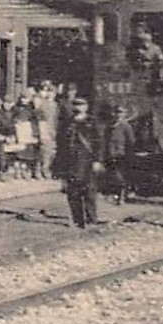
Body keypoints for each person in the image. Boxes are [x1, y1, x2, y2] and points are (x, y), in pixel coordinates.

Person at [55, 95, 102, 228]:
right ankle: (77, 220)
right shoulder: (67, 123)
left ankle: (91, 219)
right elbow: (61, 142)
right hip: (70, 161)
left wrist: (97, 160)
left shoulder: (92, 122)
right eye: (75, 105)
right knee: (73, 192)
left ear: (86, 107)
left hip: (87, 161)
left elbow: (98, 142)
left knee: (89, 191)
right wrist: (59, 161)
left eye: (81, 105)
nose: (78, 107)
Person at [98, 100, 136, 204]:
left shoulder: (126, 126)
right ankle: (115, 195)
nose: (117, 115)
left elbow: (131, 141)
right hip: (109, 154)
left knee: (120, 176)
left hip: (121, 154)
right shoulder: (109, 126)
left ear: (124, 114)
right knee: (111, 175)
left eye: (120, 112)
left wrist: (129, 153)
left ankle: (122, 196)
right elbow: (104, 141)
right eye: (116, 112)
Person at [10, 88, 43, 178]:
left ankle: (24, 170)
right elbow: (11, 117)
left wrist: (34, 133)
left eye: (26, 98)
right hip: (18, 131)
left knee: (27, 152)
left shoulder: (31, 108)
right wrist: (16, 121)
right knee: (18, 152)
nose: (23, 100)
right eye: (22, 98)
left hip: (27, 132)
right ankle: (17, 170)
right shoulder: (16, 107)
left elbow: (34, 121)